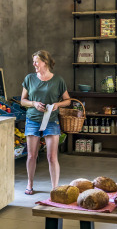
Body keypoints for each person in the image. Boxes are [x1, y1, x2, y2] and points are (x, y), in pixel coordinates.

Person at [21, 50, 71, 195]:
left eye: (37, 61)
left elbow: (67, 100)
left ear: (45, 62)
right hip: (32, 120)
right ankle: (29, 184)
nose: (34, 64)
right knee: (31, 156)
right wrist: (34, 104)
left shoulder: (58, 80)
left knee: (52, 157)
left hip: (51, 121)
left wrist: (57, 104)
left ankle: (54, 188)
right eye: (33, 61)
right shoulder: (29, 78)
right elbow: (23, 101)